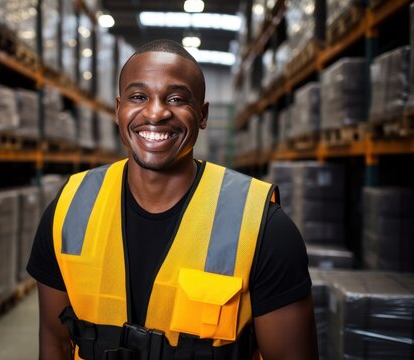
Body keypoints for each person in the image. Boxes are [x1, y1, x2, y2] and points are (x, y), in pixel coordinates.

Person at [27, 39, 318, 360]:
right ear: (118, 109)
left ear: (203, 115)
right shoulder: (69, 209)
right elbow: (55, 343)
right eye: (138, 97)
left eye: (177, 99)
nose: (155, 112)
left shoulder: (264, 227)